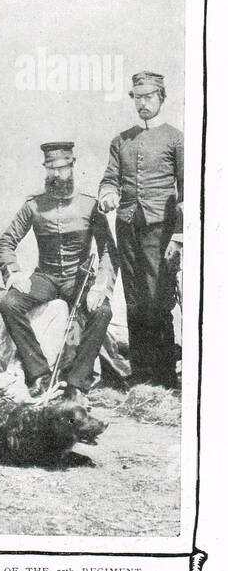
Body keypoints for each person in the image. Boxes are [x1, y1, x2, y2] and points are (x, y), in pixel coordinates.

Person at [0, 142, 118, 403]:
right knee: (9, 304)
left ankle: (76, 385)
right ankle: (38, 374)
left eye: (62, 168)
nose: (56, 175)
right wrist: (14, 273)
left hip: (79, 278)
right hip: (46, 277)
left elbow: (109, 249)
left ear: (72, 166)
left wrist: (100, 285)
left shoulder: (89, 205)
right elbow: (5, 242)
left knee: (103, 311)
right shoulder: (34, 205)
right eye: (51, 169)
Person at [99, 70, 183, 389]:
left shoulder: (175, 138)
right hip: (128, 227)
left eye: (149, 97)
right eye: (138, 97)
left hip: (161, 232)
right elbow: (110, 178)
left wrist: (178, 236)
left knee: (158, 300)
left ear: (162, 97)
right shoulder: (121, 140)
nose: (143, 103)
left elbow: (187, 189)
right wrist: (108, 194)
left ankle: (163, 375)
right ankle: (140, 373)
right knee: (134, 300)